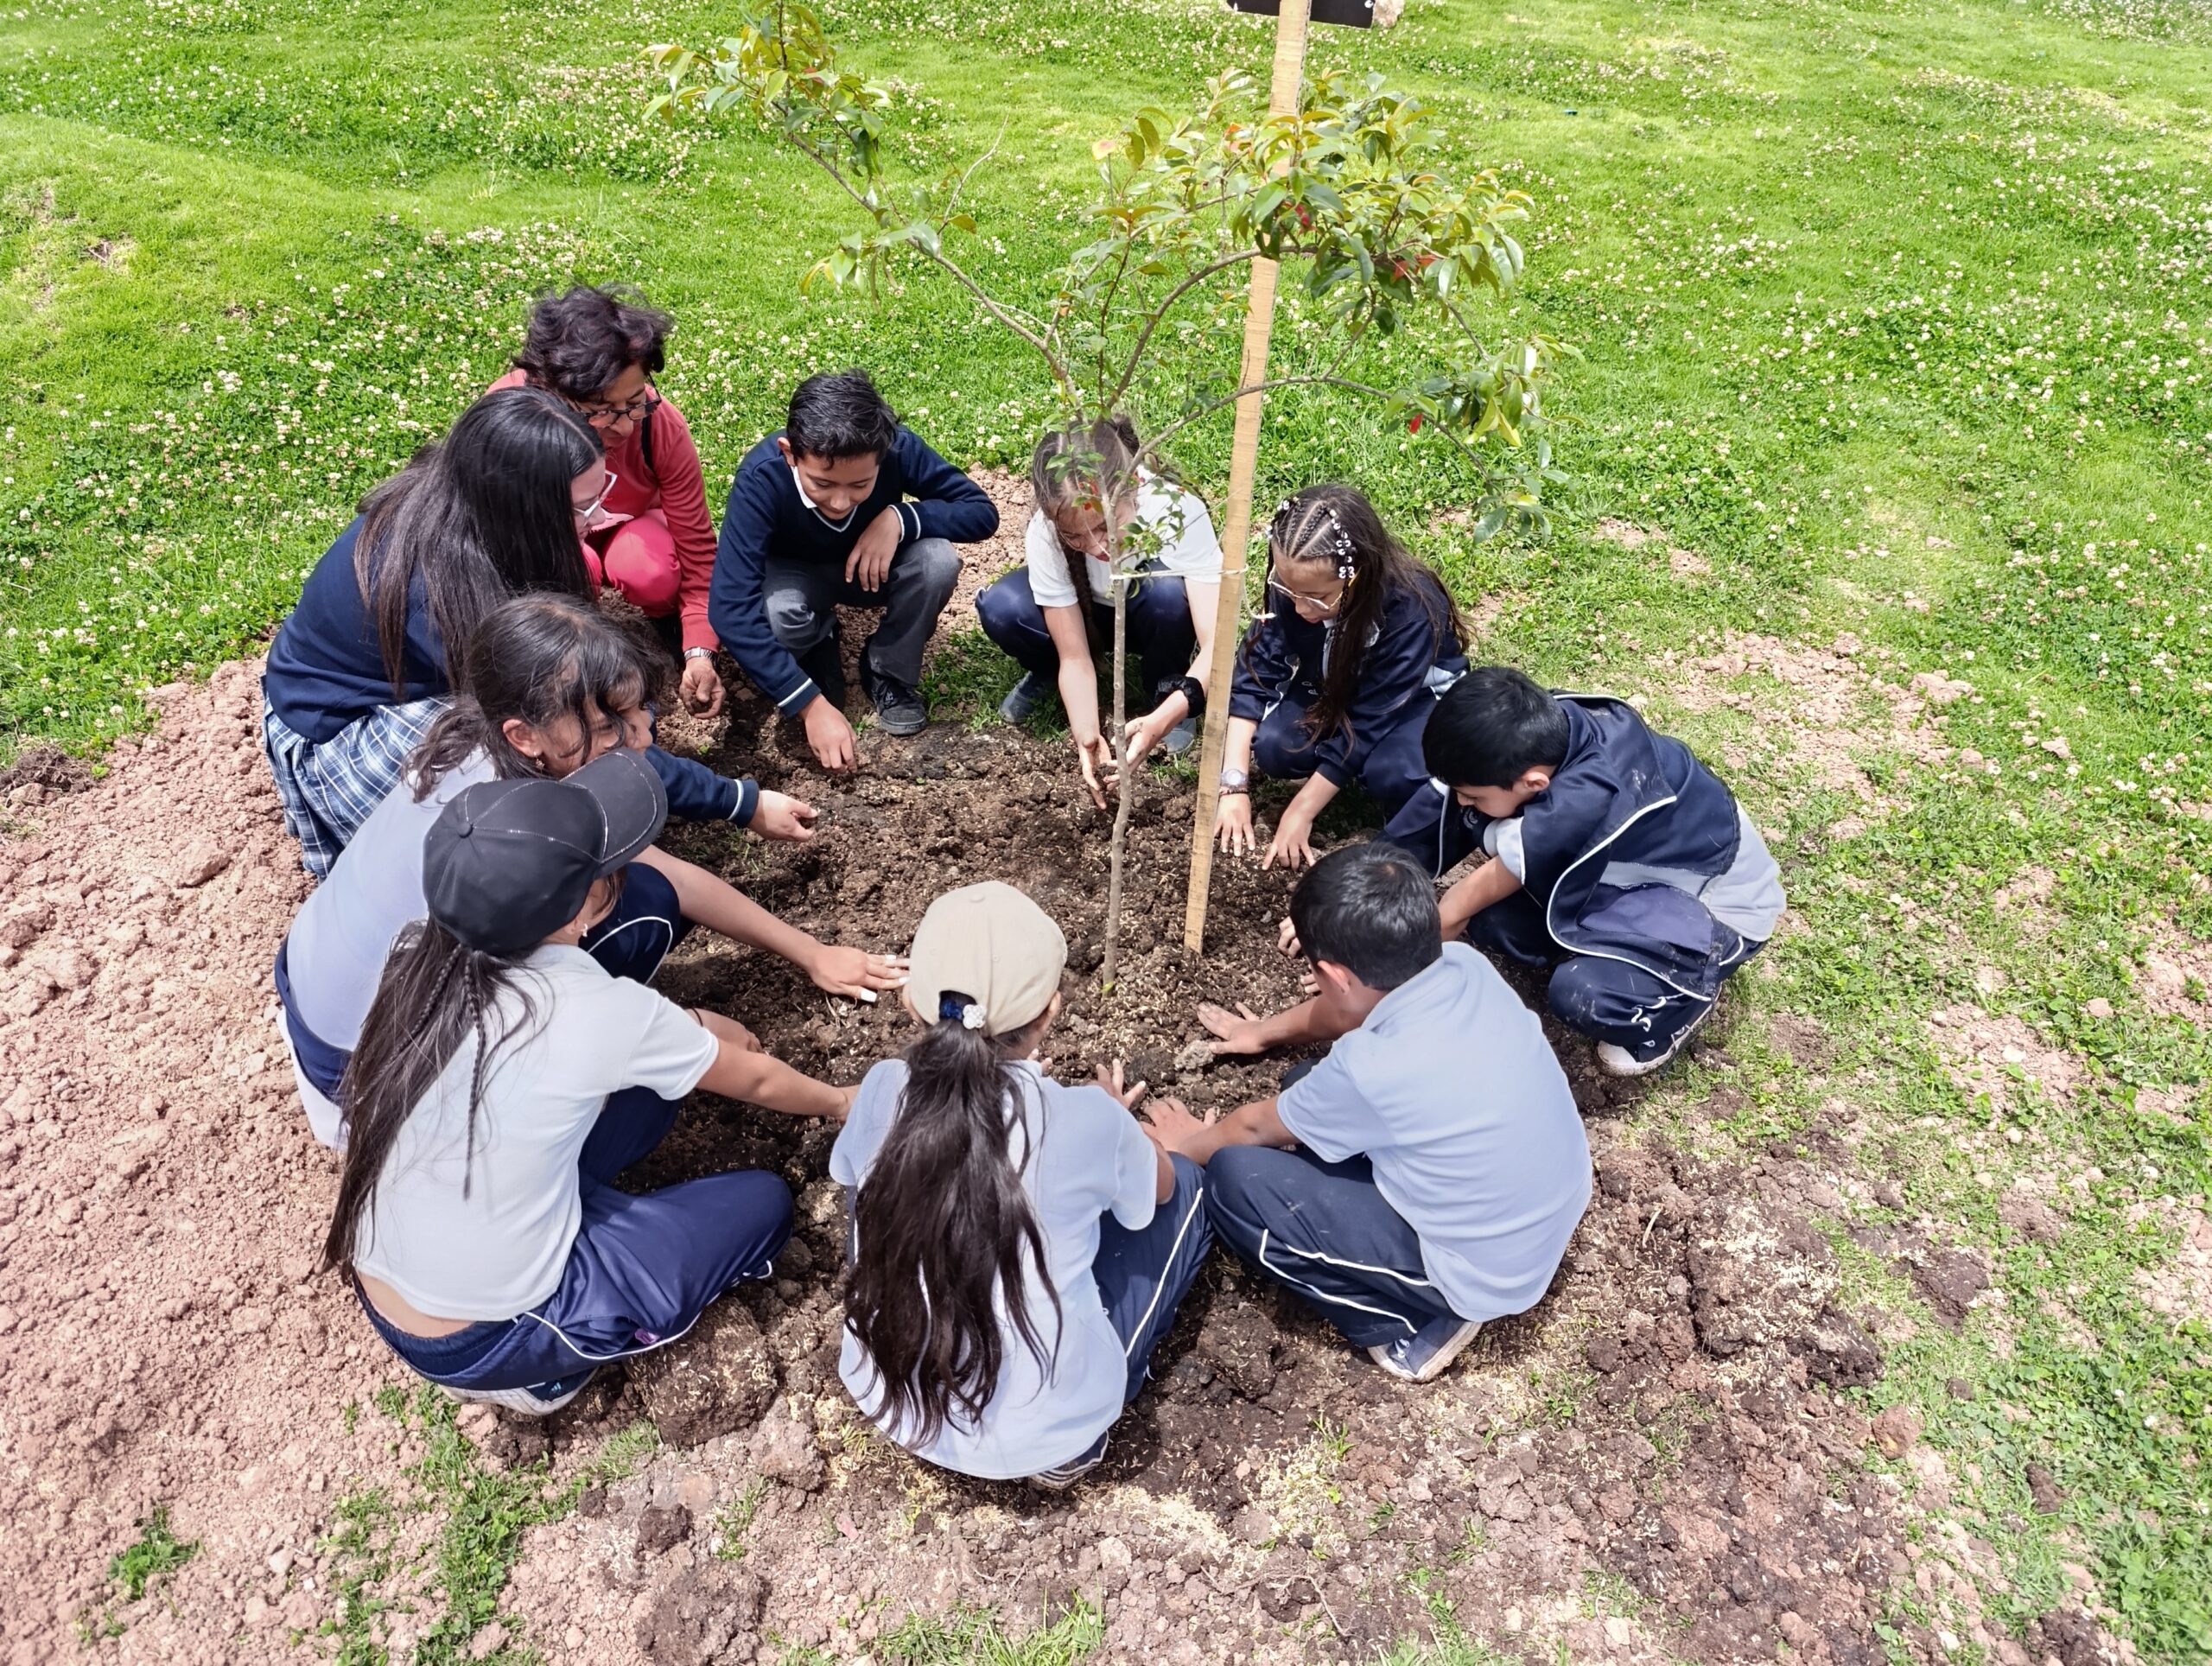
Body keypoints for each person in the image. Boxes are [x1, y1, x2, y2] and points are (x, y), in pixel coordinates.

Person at [321, 752, 851, 1415]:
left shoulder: (417, 954)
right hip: (481, 1334)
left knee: (656, 1094)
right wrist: (840, 1103)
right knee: (763, 1207)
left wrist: (687, 1025)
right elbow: (761, 1080)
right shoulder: (591, 1010)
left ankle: (565, 1237)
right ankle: (546, 1374)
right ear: (581, 912)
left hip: (395, 1275)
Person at [276, 594, 906, 1148]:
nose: (638, 741)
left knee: (647, 891)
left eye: (639, 717)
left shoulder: (481, 744)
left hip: (327, 996)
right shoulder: (520, 832)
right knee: (645, 1104)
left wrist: (811, 952)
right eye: (610, 726)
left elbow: (671, 874)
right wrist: (678, 1031)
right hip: (377, 1078)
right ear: (525, 734)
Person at [260, 386, 772, 879]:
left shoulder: (471, 512)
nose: (595, 521)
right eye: (579, 508)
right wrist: (735, 800)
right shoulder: (446, 594)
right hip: (351, 733)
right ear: (523, 508)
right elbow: (572, 721)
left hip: (422, 684)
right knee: (517, 815)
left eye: (600, 494)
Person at [1149, 842, 1589, 1384]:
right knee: (1302, 1083)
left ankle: (1412, 1324)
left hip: (1486, 1271)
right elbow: (1346, 1015)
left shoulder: (1374, 1068)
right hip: (1539, 1205)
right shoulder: (1463, 966)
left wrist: (1180, 1146)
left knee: (1235, 1178)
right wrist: (1260, 1032)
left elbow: (1252, 1127)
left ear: (1333, 975)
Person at [832, 883, 1212, 1487]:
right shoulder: (1087, 1118)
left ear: (912, 1005)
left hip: (893, 1401)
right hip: (1046, 1432)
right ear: (1049, 1015)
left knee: (879, 1181)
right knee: (1190, 1188)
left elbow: (858, 1180)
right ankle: (1073, 1448)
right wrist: (1134, 1135)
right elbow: (1160, 1192)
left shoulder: (881, 1088)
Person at [1419, 666, 1784, 1077]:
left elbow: (1455, 907)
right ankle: (1604, 947)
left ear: (1533, 782)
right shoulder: (1543, 730)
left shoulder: (1589, 796)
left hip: (1711, 906)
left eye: (1472, 795)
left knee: (1584, 994)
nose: (1464, 802)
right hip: (1631, 878)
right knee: (1496, 922)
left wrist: (1405, 973)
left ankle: (1680, 1002)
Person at [709, 369, 999, 766]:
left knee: (936, 561)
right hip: (794, 578)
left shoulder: (897, 448)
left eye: (860, 485)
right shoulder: (763, 478)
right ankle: (815, 646)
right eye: (822, 484)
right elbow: (729, 608)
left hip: (872, 570)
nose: (841, 502)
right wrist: (808, 704)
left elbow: (981, 513)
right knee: (778, 616)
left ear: (883, 454)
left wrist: (900, 518)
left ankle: (887, 669)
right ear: (790, 453)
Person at [487, 284, 727, 718]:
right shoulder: (512, 422)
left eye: (634, 403)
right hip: (549, 538)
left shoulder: (658, 426)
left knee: (650, 568)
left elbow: (696, 547)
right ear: (548, 391)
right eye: (599, 409)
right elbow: (493, 538)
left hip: (632, 526)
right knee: (574, 569)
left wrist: (699, 648)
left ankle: (664, 623)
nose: (623, 426)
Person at [1215, 485, 1469, 871]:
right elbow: (1256, 672)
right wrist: (1233, 784)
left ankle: (1383, 779)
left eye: (1317, 597)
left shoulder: (1410, 607)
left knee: (1391, 771)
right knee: (1274, 747)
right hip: (1336, 686)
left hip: (1409, 701)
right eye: (1288, 589)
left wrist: (1300, 810)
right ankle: (1343, 772)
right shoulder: (1297, 585)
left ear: (1357, 576)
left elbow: (1369, 723)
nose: (1299, 607)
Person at [976, 417, 1223, 807]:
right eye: (1075, 535)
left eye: (1106, 525)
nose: (1096, 546)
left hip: (1148, 613)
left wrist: (1168, 715)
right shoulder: (1046, 529)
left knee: (1167, 597)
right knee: (1005, 609)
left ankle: (1167, 685)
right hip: (1089, 616)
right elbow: (1074, 655)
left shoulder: (1174, 510)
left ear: (1133, 490)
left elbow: (1218, 646)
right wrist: (1086, 737)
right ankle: (1045, 670)